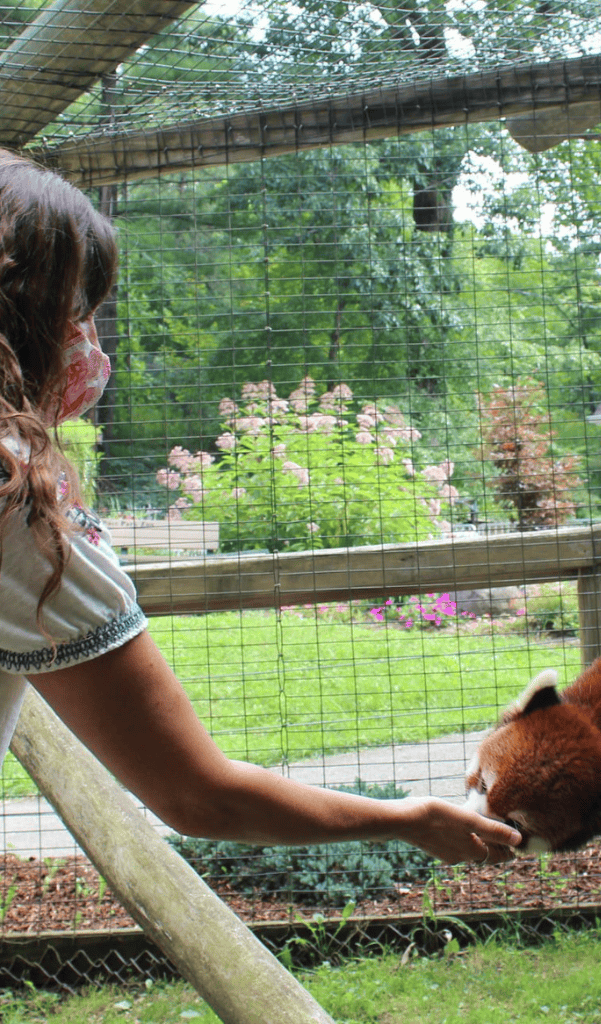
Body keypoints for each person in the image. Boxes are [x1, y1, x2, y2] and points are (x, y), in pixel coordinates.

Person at [0, 149, 520, 867]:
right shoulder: (16, 505)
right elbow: (199, 795)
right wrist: (409, 817)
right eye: (77, 312)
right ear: (26, 314)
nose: (86, 341)